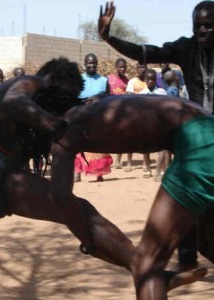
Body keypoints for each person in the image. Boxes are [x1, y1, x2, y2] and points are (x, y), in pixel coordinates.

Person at [0, 57, 201, 300]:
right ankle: (143, 267)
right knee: (80, 211)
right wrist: (55, 126)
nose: (63, 101)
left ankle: (141, 267)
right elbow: (15, 101)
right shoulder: (28, 82)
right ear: (53, 78)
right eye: (65, 93)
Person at [51, 93, 214, 300]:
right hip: (207, 129)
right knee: (209, 243)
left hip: (200, 146)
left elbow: (60, 198)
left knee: (148, 264)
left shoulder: (63, 130)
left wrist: (89, 242)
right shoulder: (100, 103)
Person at [98, 0, 214, 271]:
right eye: (198, 25)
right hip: (194, 136)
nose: (203, 30)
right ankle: (186, 258)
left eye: (209, 25)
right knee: (183, 193)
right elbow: (145, 52)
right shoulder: (186, 47)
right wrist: (108, 37)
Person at [75, 53, 112, 182]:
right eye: (89, 63)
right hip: (81, 116)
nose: (92, 65)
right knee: (78, 144)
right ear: (85, 64)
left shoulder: (104, 81)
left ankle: (99, 172)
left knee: (98, 144)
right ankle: (77, 172)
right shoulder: (78, 79)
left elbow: (108, 99)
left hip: (98, 117)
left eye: (94, 63)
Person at [108, 57, 130, 169]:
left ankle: (118, 160)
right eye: (120, 66)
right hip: (110, 111)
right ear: (116, 67)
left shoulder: (127, 81)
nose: (123, 68)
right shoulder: (110, 79)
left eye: (124, 67)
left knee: (120, 136)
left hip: (122, 113)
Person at [124, 62, 147, 173]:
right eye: (139, 67)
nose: (141, 69)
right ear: (136, 69)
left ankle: (145, 163)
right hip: (133, 114)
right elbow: (128, 95)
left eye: (143, 67)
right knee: (130, 138)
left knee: (145, 139)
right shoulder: (132, 81)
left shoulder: (149, 80)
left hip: (146, 114)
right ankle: (129, 162)